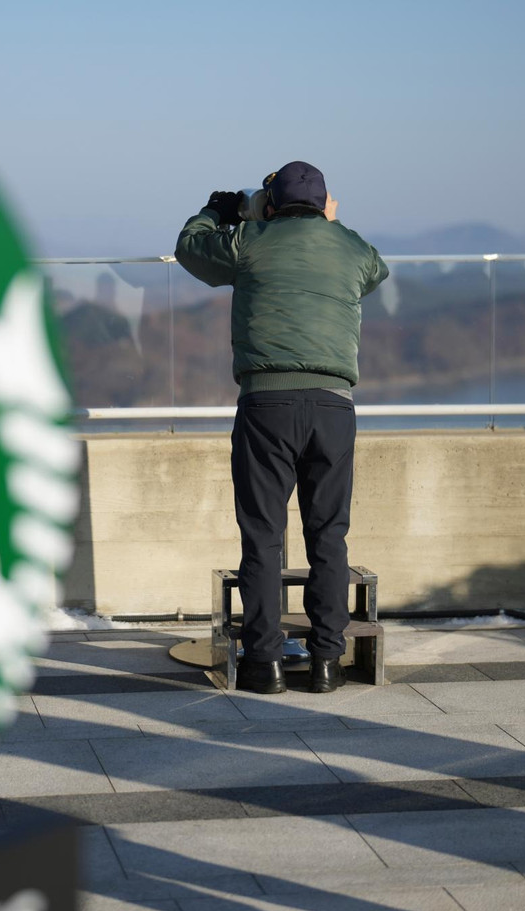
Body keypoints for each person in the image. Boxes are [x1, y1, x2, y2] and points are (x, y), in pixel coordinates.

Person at [175, 161, 388, 694]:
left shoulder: (249, 240)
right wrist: (330, 225)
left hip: (266, 405)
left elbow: (190, 249)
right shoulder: (350, 248)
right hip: (334, 407)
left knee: (263, 536)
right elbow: (376, 270)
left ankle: (264, 664)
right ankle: (327, 663)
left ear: (270, 205)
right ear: (323, 205)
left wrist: (217, 211)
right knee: (329, 535)